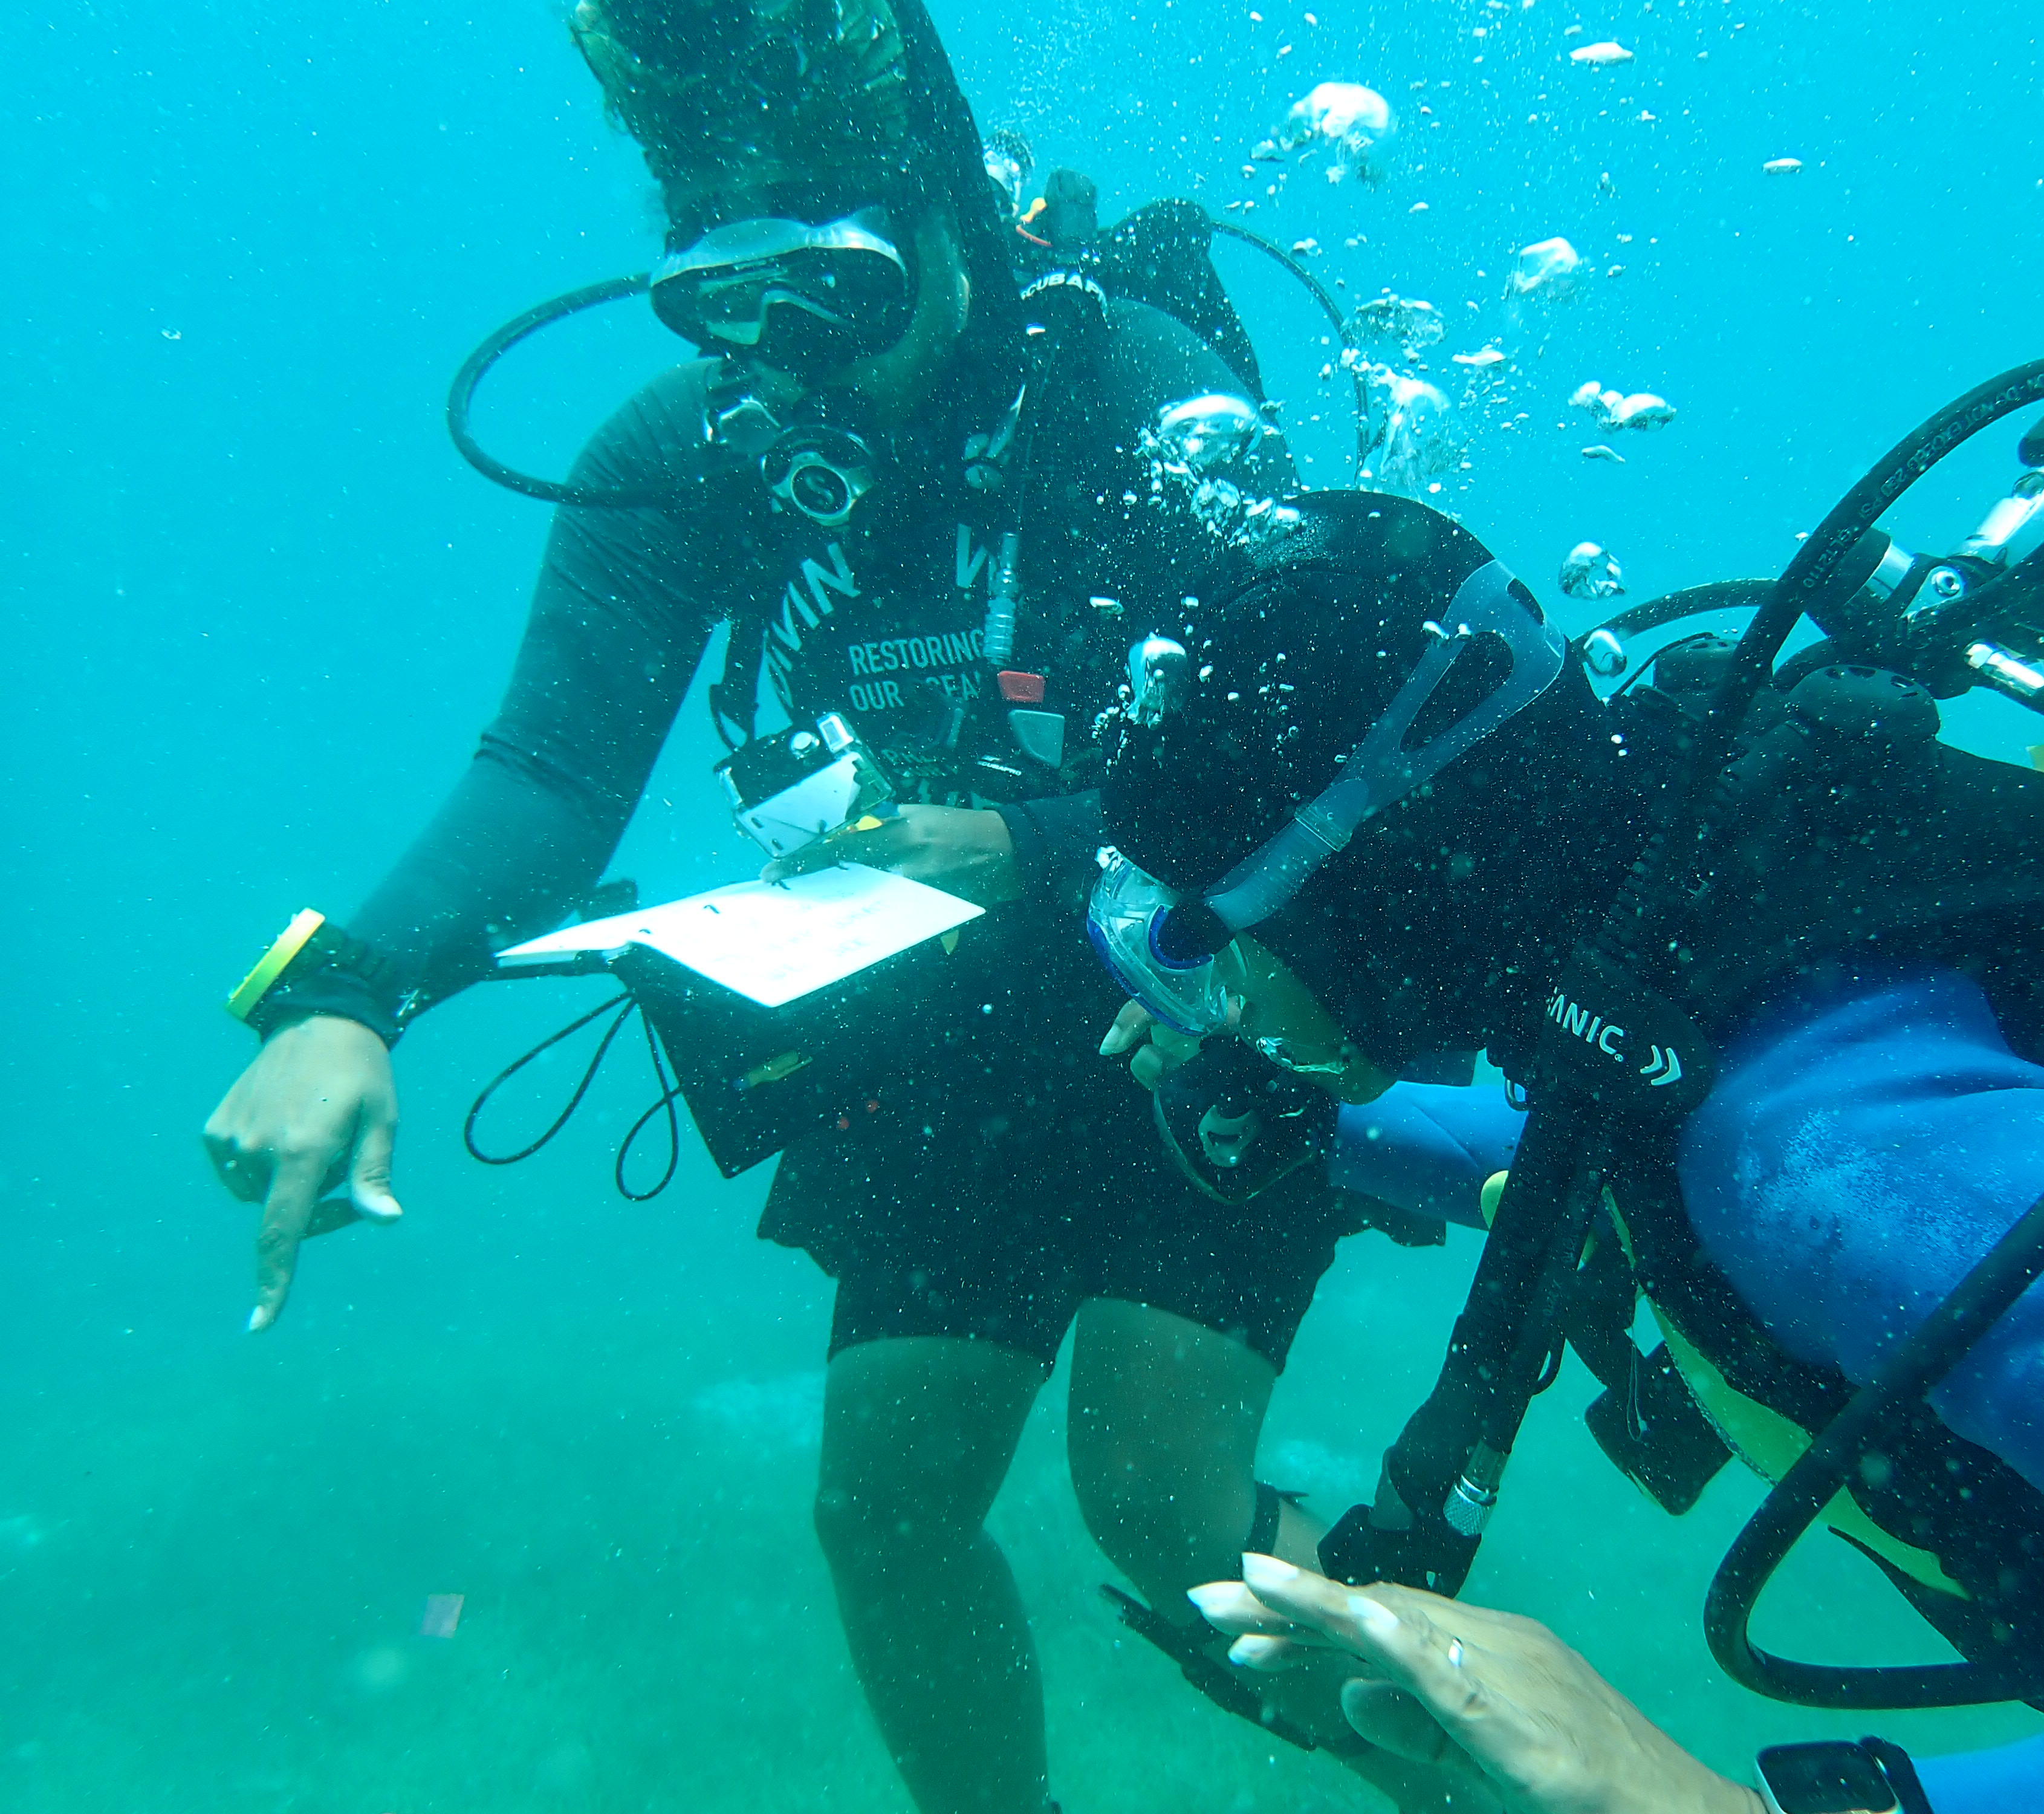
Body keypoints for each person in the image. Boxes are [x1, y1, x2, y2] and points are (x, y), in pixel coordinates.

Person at [199, 5, 1467, 1809]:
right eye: (734, 299)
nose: (798, 357)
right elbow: (550, 777)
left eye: (842, 294)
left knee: (1170, 1514)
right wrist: (344, 997)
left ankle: (1518, 1770)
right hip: (925, 1014)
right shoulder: (696, 445)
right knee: (879, 1510)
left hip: (1190, 990)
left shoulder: (1135, 391)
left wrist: (1027, 849)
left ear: (947, 221)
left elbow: (1319, 757)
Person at [1083, 487, 2044, 1812]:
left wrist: (1715, 1808)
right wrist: (1315, 1115)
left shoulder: (1828, 1162)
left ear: (1373, 898)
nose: (1214, 1003)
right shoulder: (1669, 941)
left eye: (1203, 948)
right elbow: (1589, 1140)